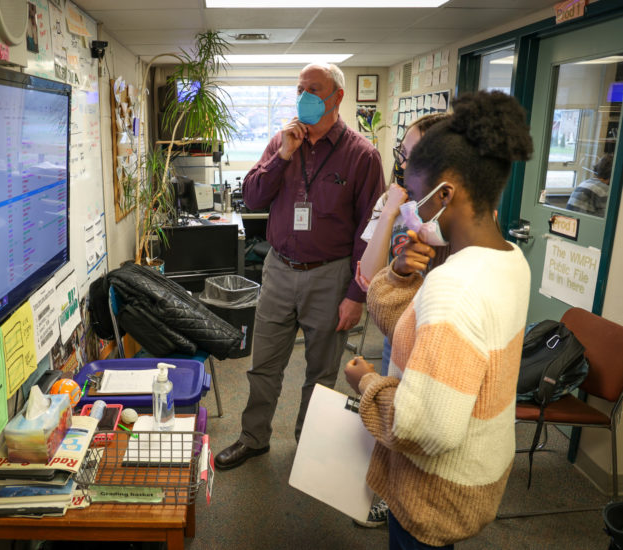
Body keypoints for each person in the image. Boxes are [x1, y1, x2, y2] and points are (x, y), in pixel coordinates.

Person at [344, 90, 533, 548]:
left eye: (415, 194)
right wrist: (400, 275)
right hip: (475, 472)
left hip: (431, 494)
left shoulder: (455, 285)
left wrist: (367, 383)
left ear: (446, 193)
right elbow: (418, 331)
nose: (411, 208)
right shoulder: (508, 259)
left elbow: (423, 428)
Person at [214, 63, 384, 470]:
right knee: (263, 365)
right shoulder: (281, 141)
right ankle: (254, 438)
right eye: (300, 89)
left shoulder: (362, 155)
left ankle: (309, 445)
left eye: (314, 89)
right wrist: (283, 155)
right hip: (278, 269)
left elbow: (371, 231)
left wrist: (356, 295)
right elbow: (253, 198)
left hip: (331, 274)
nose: (304, 96)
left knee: (321, 372)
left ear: (337, 96)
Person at [351, 112, 450, 529]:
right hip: (398, 326)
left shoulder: (457, 213)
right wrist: (391, 210)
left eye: (410, 154)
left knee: (425, 423)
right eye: (401, 153)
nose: (402, 163)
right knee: (398, 414)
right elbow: (369, 276)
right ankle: (394, 498)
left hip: (438, 335)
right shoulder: (393, 200)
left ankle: (415, 508)